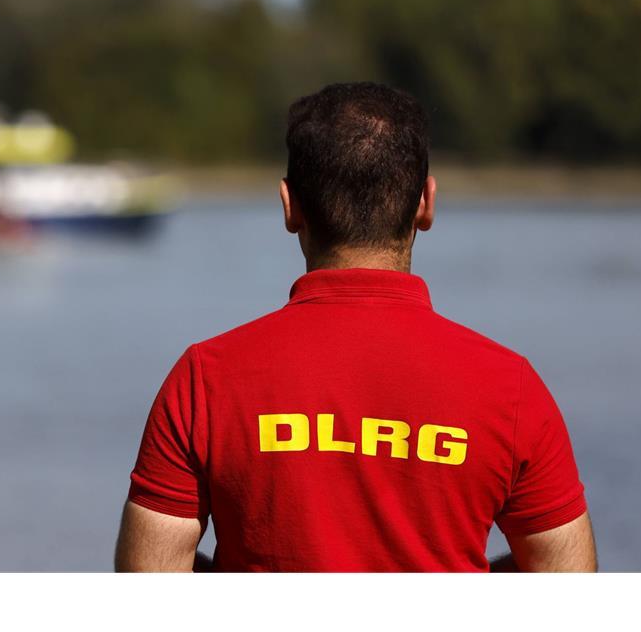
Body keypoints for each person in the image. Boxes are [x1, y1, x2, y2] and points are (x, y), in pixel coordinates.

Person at [114, 82, 596, 572]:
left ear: (289, 206)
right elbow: (567, 578)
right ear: (426, 204)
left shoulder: (206, 378)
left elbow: (148, 578)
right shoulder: (510, 386)